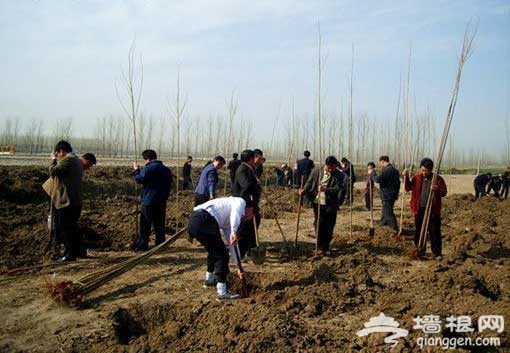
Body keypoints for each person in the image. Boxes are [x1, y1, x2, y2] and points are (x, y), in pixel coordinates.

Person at [188, 197, 254, 300]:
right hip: (204, 218)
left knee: (214, 250)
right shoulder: (240, 202)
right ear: (250, 209)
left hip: (194, 220)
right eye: (252, 214)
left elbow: (233, 244)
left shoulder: (228, 220)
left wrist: (238, 266)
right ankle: (222, 292)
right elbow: (235, 213)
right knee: (222, 254)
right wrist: (234, 231)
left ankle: (209, 280)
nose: (250, 217)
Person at [403, 158, 447, 258]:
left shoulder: (437, 179)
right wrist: (405, 177)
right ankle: (419, 250)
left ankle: (437, 253)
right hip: (419, 209)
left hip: (433, 210)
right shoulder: (417, 177)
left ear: (430, 170)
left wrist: (436, 189)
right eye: (422, 170)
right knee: (419, 231)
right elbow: (408, 188)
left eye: (426, 171)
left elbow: (444, 192)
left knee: (434, 232)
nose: (423, 172)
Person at [300, 156, 344, 255]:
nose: (331, 170)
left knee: (329, 225)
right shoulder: (316, 171)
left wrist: (326, 190)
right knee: (319, 223)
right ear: (326, 165)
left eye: (333, 168)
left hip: (331, 204)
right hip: (317, 202)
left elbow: (338, 189)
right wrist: (303, 190)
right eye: (329, 168)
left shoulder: (339, 175)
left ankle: (326, 246)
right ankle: (320, 246)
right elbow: (309, 182)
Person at [48, 140, 84, 262]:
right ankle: (76, 252)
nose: (57, 156)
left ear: (62, 151)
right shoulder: (76, 160)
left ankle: (69, 254)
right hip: (74, 200)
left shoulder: (68, 159)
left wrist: (53, 160)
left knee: (65, 229)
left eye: (57, 153)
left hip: (67, 201)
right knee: (72, 228)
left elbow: (53, 171)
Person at [133, 149, 173, 251]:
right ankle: (160, 245)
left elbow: (139, 179)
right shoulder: (166, 170)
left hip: (148, 201)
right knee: (159, 224)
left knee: (145, 224)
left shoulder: (148, 168)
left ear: (147, 159)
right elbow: (169, 184)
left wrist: (136, 170)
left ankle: (143, 245)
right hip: (162, 201)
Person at [232, 149, 261, 258]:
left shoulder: (248, 168)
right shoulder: (242, 169)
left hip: (250, 203)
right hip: (245, 204)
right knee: (245, 230)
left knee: (253, 225)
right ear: (250, 159)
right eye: (254, 157)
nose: (255, 160)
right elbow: (246, 186)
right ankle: (240, 254)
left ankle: (250, 250)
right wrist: (255, 183)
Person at [376, 155, 401, 233]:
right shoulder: (395, 170)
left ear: (383, 161)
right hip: (392, 194)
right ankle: (383, 223)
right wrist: (396, 193)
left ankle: (394, 228)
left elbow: (378, 179)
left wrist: (372, 173)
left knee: (388, 212)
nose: (380, 165)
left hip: (387, 194)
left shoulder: (386, 170)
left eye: (381, 163)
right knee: (385, 209)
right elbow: (398, 183)